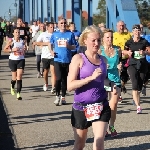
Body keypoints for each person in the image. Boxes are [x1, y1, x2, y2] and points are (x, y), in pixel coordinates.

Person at [67, 25, 112, 150]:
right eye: (93, 40)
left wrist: (113, 85)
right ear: (85, 40)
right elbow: (69, 86)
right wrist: (90, 78)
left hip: (101, 105)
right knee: (80, 143)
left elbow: (104, 80)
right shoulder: (78, 58)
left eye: (98, 40)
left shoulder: (103, 60)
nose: (96, 43)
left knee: (99, 142)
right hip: (81, 107)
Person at [99, 28, 122, 137]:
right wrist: (102, 66)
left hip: (115, 79)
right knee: (103, 104)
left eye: (111, 37)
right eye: (107, 37)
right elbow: (93, 62)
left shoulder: (117, 49)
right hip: (103, 79)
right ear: (103, 39)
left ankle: (111, 126)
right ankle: (103, 127)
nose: (110, 39)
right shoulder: (100, 50)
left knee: (113, 104)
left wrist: (120, 66)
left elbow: (121, 61)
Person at [123, 24, 150, 114]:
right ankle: (138, 106)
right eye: (135, 31)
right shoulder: (128, 42)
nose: (137, 32)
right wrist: (127, 52)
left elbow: (149, 52)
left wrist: (144, 52)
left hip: (142, 64)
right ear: (132, 32)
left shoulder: (144, 41)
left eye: (138, 31)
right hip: (132, 64)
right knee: (134, 84)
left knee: (139, 85)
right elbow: (124, 52)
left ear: (140, 31)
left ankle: (136, 98)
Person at [49, 18, 76, 106]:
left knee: (65, 79)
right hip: (57, 59)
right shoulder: (55, 34)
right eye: (61, 23)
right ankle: (57, 96)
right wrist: (51, 51)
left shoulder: (70, 34)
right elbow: (50, 43)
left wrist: (69, 46)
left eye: (64, 23)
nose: (63, 24)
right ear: (58, 24)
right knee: (58, 78)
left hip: (67, 60)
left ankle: (63, 97)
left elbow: (74, 47)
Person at [4, 27, 26, 100]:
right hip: (12, 60)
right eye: (16, 32)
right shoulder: (11, 41)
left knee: (19, 76)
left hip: (21, 60)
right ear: (13, 33)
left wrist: (25, 50)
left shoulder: (22, 41)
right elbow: (4, 50)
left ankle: (18, 94)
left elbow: (24, 51)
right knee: (14, 78)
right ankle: (12, 87)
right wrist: (12, 49)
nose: (17, 34)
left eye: (18, 32)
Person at [113, 21, 131, 101]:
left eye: (123, 26)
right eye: (120, 26)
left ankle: (122, 85)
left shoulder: (128, 35)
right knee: (117, 75)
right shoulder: (113, 35)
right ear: (117, 26)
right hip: (117, 58)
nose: (121, 27)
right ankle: (119, 94)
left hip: (126, 58)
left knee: (125, 76)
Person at [36, 22, 56, 93]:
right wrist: (45, 44)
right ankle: (46, 83)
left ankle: (53, 87)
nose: (52, 28)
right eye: (51, 27)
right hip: (45, 56)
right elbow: (37, 43)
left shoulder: (56, 34)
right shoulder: (43, 34)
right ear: (47, 27)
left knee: (53, 71)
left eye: (53, 27)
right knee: (46, 72)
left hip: (53, 55)